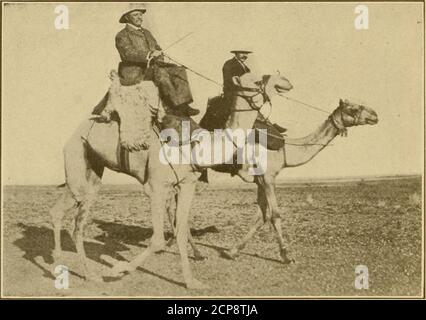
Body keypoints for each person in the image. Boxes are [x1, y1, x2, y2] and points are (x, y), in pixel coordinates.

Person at [92, 7, 199, 117]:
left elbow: (157, 47)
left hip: (152, 67)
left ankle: (183, 105)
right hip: (134, 71)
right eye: (135, 15)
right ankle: (174, 106)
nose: (139, 17)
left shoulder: (147, 33)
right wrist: (148, 55)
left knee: (179, 70)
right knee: (161, 74)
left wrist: (158, 54)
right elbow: (127, 54)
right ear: (127, 18)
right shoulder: (122, 35)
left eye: (140, 14)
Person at [222, 50, 287, 133]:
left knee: (260, 100)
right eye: (242, 53)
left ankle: (268, 124)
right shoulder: (229, 64)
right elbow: (229, 82)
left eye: (246, 53)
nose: (244, 55)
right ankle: (265, 127)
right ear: (236, 53)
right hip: (233, 94)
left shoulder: (246, 67)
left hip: (244, 94)